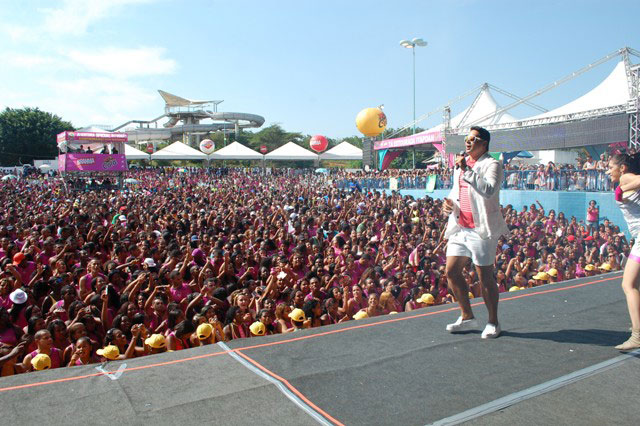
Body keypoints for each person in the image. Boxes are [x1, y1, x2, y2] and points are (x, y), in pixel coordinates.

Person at [441, 126, 509, 339]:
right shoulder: (460, 166)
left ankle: (493, 322)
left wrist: (468, 171)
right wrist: (448, 204)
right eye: (466, 139)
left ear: (484, 143)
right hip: (460, 226)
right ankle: (467, 316)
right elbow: (456, 190)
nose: (467, 142)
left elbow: (488, 190)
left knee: (484, 277)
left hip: (481, 230)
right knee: (451, 272)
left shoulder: (493, 164)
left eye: (473, 139)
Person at [606, 153, 640, 350]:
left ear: (622, 168)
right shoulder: (625, 179)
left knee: (628, 284)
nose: (608, 170)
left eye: (611, 166)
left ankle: (637, 335)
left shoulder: (626, 178)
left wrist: (623, 187)